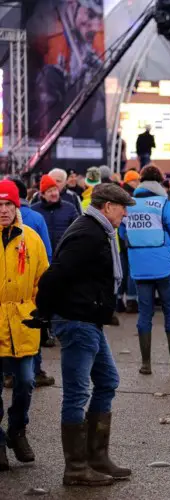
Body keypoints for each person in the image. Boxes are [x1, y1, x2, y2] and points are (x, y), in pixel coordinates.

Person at [36, 183, 135, 486]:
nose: (126, 213)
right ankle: (76, 467)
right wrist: (44, 315)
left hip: (88, 319)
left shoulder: (98, 230)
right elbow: (54, 275)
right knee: (77, 394)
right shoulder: (88, 233)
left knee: (107, 381)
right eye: (123, 207)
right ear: (107, 207)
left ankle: (97, 457)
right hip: (77, 320)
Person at [122, 166, 170, 375]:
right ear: (160, 182)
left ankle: (146, 364)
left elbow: (123, 231)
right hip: (165, 266)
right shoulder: (164, 204)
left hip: (139, 268)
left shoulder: (130, 205)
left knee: (144, 314)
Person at [0, 180, 48, 472]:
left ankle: (18, 430)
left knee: (27, 381)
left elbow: (44, 277)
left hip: (23, 321)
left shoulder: (30, 239)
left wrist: (44, 310)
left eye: (8, 205)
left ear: (17, 207)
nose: (3, 210)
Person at [31, 174, 79, 255]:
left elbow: (78, 230)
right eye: (49, 191)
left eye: (55, 190)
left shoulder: (70, 208)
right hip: (42, 256)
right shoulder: (34, 210)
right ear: (42, 194)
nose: (54, 193)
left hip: (65, 255)